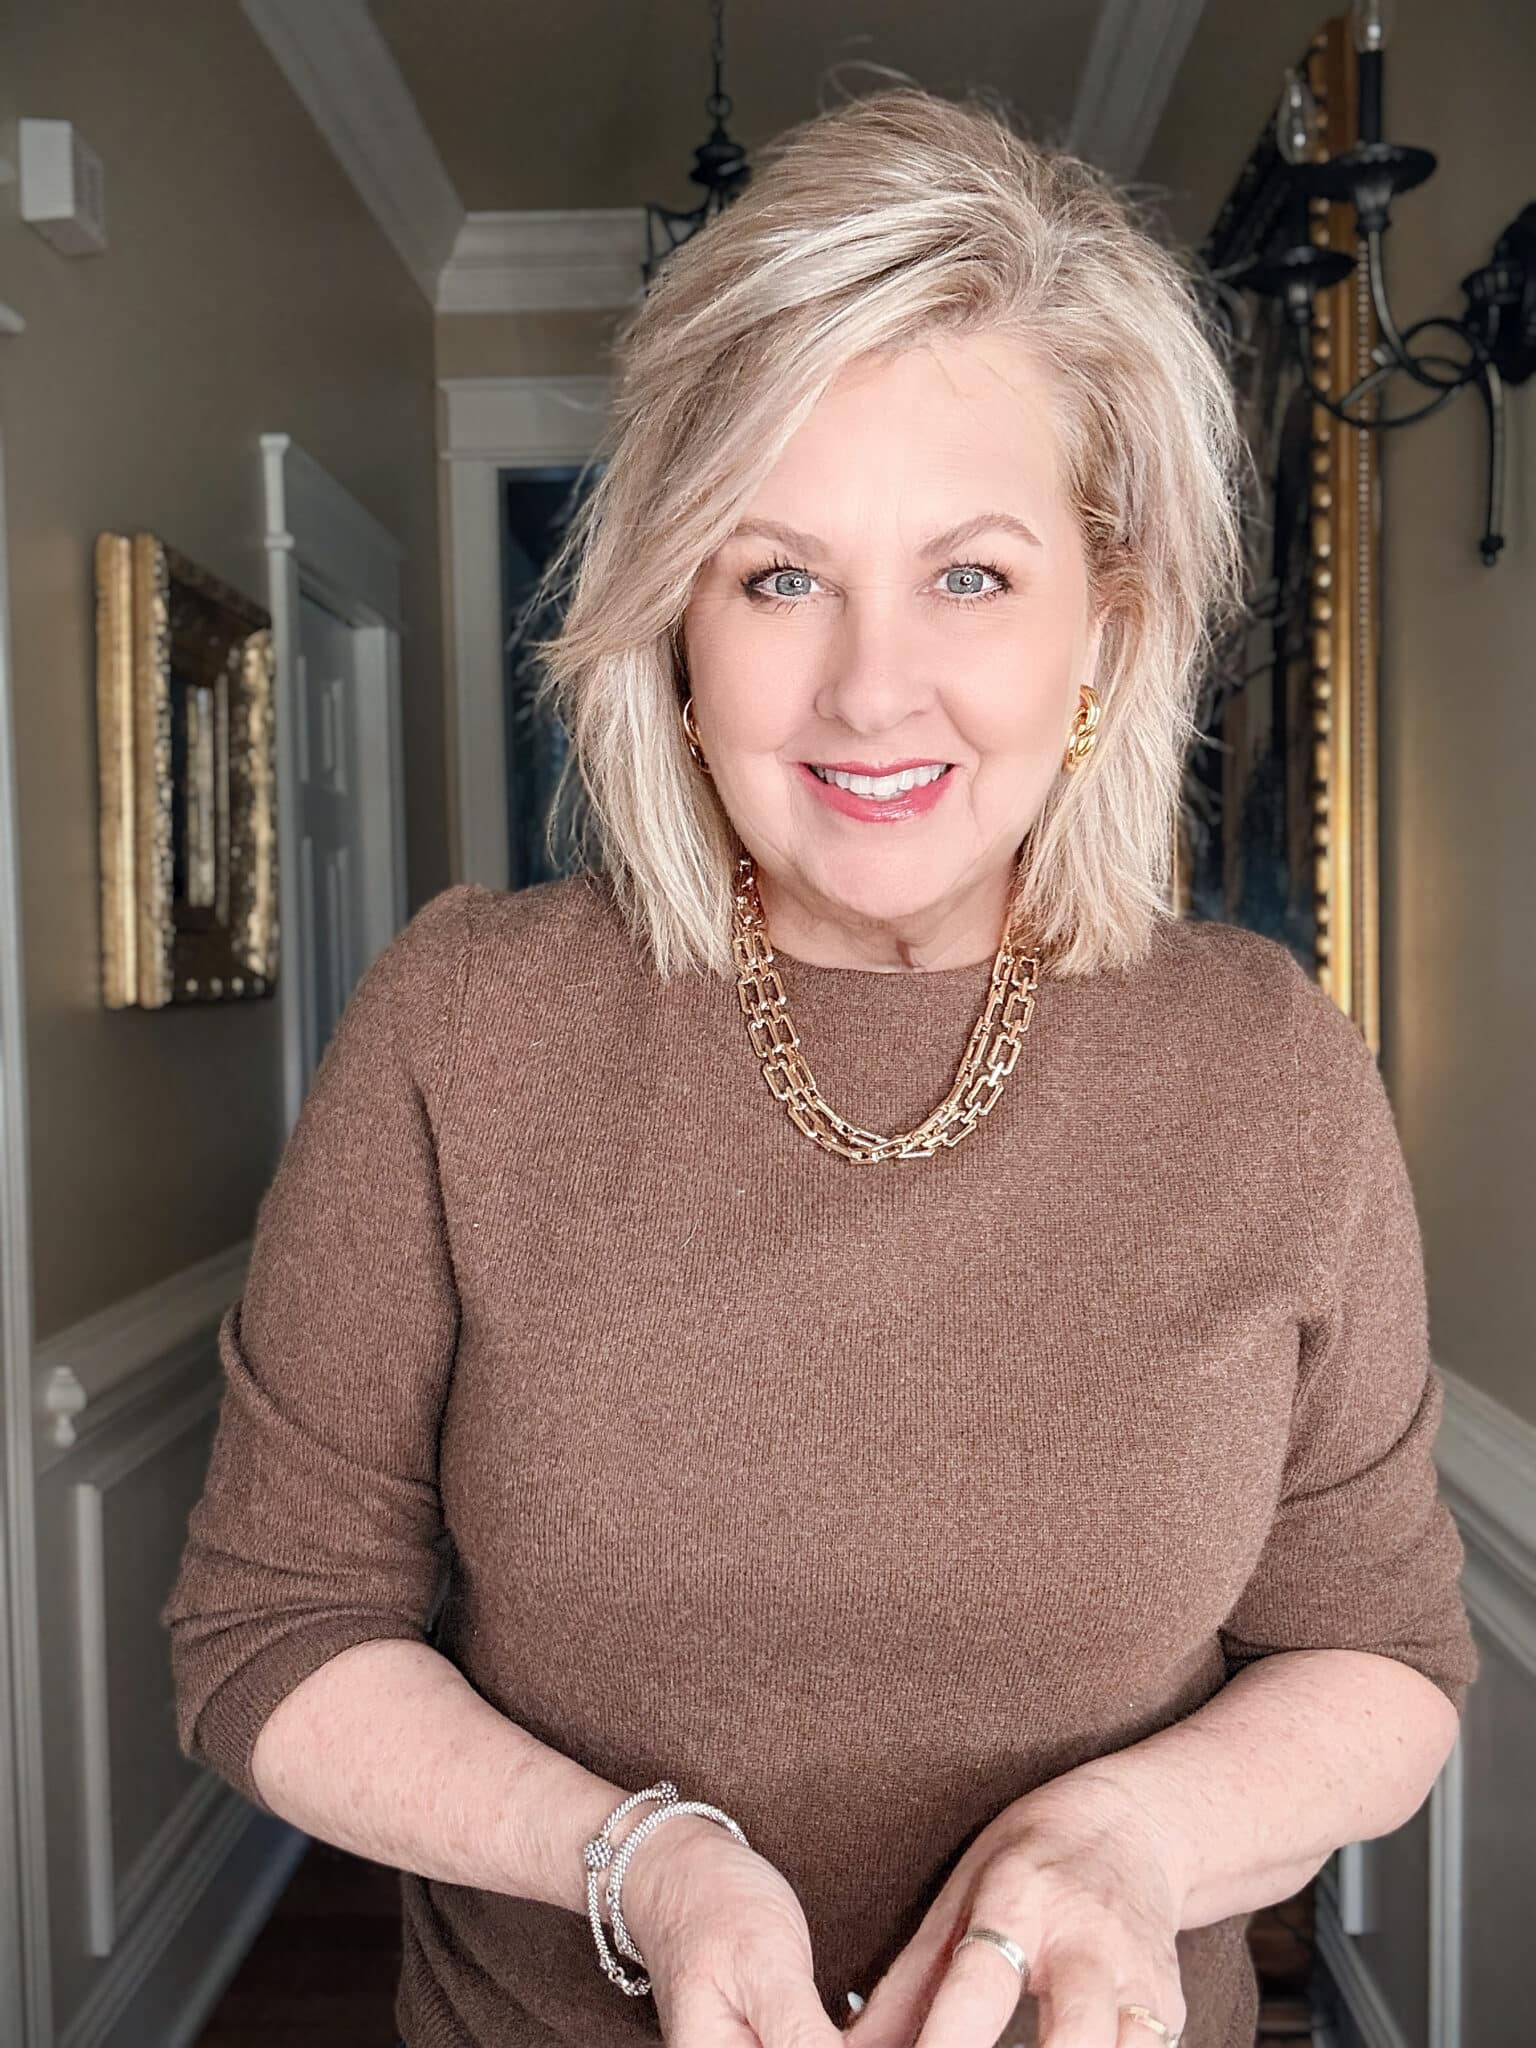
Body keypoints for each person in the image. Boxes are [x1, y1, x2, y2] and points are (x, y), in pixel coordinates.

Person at [161, 85, 1478, 2048]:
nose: (871, 686)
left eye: (970, 574)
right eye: (779, 574)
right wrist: (643, 1864)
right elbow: (268, 1633)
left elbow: (1380, 1656)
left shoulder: (1274, 1073)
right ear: (677, 622)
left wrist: (1122, 1841)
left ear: (1101, 617)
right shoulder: (467, 1025)